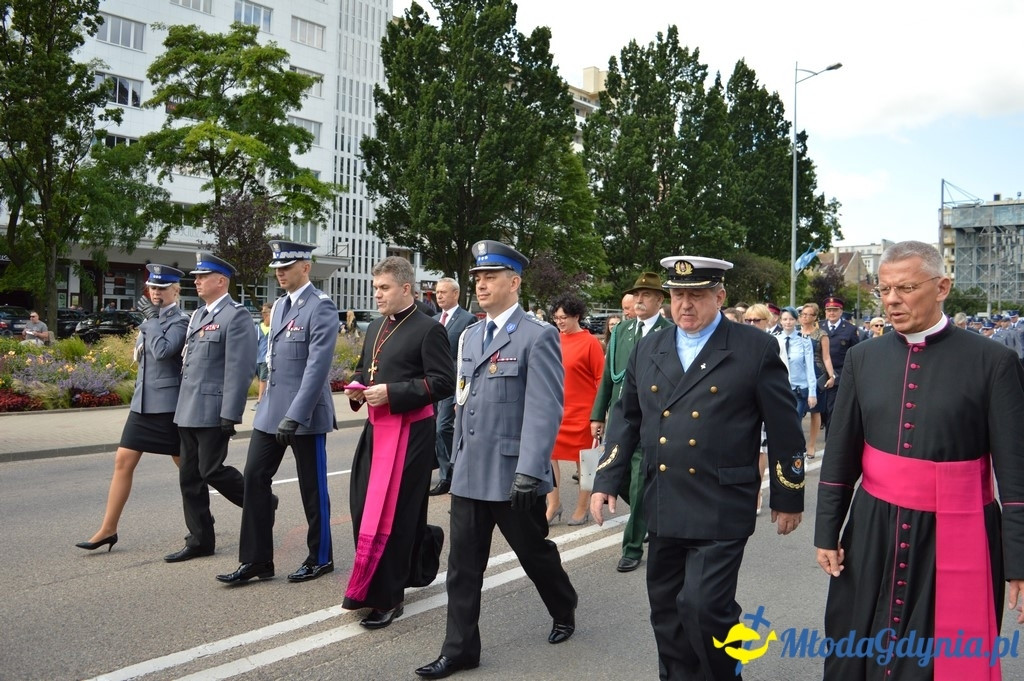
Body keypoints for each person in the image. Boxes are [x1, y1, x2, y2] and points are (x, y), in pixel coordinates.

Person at [814, 240, 1024, 680]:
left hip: (959, 529)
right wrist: (827, 532)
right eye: (885, 290)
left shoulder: (994, 362)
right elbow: (840, 455)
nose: (892, 300)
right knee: (853, 645)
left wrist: (1019, 562)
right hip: (873, 528)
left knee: (936, 661)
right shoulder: (862, 358)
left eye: (906, 287)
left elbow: (1015, 471)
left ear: (942, 286)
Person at [590, 255, 806, 681]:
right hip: (664, 499)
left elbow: (784, 429)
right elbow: (626, 418)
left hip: (721, 503)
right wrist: (607, 478)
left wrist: (788, 494)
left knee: (705, 607)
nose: (684, 305)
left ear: (720, 296)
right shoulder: (651, 346)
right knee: (667, 612)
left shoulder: (753, 347)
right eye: (677, 295)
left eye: (696, 295)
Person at [415, 240, 578, 680]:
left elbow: (544, 409)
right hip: (470, 475)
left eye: (490, 277)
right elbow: (464, 400)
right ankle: (461, 649)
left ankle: (563, 605)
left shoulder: (536, 335)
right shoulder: (470, 335)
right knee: (462, 569)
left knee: (533, 554)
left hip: (512, 475)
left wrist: (530, 470)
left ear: (514, 282)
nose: (481, 284)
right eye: (477, 278)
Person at [216, 241, 339, 585]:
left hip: (306, 413)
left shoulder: (321, 307)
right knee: (254, 478)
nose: (280, 273)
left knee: (312, 488)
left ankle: (321, 557)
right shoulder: (281, 306)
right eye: (277, 268)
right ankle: (257, 560)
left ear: (306, 268)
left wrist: (296, 414)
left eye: (287, 266)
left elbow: (316, 368)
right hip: (272, 411)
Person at [343, 256, 453, 629]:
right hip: (377, 429)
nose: (377, 294)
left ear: (406, 288)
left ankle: (388, 598)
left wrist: (392, 392)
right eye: (375, 288)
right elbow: (365, 368)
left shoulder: (428, 329)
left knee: (396, 515)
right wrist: (357, 389)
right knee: (362, 507)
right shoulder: (374, 327)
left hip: (411, 434)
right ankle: (423, 547)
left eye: (384, 288)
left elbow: (442, 383)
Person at [76, 265, 189, 552]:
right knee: (123, 461)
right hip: (142, 405)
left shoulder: (181, 321)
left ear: (176, 290)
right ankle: (108, 529)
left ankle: (207, 520)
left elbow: (164, 352)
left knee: (189, 469)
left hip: (167, 408)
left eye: (162, 288)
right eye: (153, 287)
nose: (156, 293)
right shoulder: (149, 320)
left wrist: (151, 319)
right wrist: (150, 320)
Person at [166, 253, 256, 563]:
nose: (196, 281)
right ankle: (200, 539)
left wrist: (231, 413)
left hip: (214, 409)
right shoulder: (198, 315)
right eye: (196, 276)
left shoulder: (236, 316)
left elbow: (240, 369)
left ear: (221, 281)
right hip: (188, 408)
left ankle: (259, 503)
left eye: (202, 276)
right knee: (189, 477)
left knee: (211, 470)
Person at [589, 272, 674, 573]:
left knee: (639, 482)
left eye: (646, 295)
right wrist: (598, 415)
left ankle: (632, 546)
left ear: (660, 300)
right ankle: (651, 515)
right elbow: (608, 379)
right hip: (620, 418)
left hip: (651, 420)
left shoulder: (670, 331)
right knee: (618, 477)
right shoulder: (623, 330)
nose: (639, 300)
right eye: (636, 295)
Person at [547, 293, 604, 525]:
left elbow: (601, 379)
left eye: (564, 317)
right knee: (548, 458)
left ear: (577, 316)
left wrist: (598, 416)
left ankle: (582, 507)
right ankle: (553, 504)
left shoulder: (590, 342)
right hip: (555, 411)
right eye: (556, 317)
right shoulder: (551, 339)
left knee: (586, 463)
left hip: (583, 413)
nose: (559, 321)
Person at [430, 276, 475, 496]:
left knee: (442, 427)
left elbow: (470, 356)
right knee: (434, 429)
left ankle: (448, 476)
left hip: (452, 384)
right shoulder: (434, 319)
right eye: (437, 292)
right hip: (432, 383)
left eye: (443, 292)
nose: (439, 296)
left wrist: (464, 390)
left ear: (455, 294)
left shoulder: (468, 319)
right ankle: (446, 469)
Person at [798, 303, 835, 460]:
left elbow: (826, 356)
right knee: (797, 410)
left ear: (815, 317)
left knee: (815, 411)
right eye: (802, 314)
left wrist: (831, 375)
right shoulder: (795, 333)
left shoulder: (821, 334)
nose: (804, 317)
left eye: (808, 314)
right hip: (798, 374)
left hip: (816, 371)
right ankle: (797, 443)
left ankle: (811, 445)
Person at [820, 295, 858, 435]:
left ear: (841, 311)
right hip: (819, 375)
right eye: (829, 310)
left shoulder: (850, 329)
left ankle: (830, 441)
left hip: (838, 377)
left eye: (835, 310)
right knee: (821, 412)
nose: (831, 313)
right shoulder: (819, 326)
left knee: (832, 411)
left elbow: (855, 353)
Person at [253, 302, 272, 410]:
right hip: (257, 359)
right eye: (263, 312)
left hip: (267, 359)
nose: (264, 314)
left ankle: (260, 401)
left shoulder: (275, 327)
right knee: (261, 379)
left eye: (266, 312)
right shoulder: (258, 328)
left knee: (263, 380)